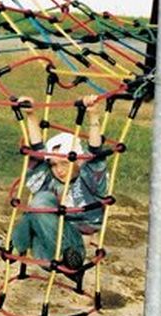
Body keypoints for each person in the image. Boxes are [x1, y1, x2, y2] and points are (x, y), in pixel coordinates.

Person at [10, 95, 108, 271]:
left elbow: (95, 151)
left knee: (39, 203)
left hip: (73, 250)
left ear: (78, 160)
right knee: (41, 200)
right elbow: (38, 150)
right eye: (54, 165)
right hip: (45, 251)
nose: (59, 170)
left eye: (64, 163)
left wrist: (93, 116)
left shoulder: (89, 178)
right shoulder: (51, 180)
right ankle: (13, 247)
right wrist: (31, 115)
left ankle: (14, 246)